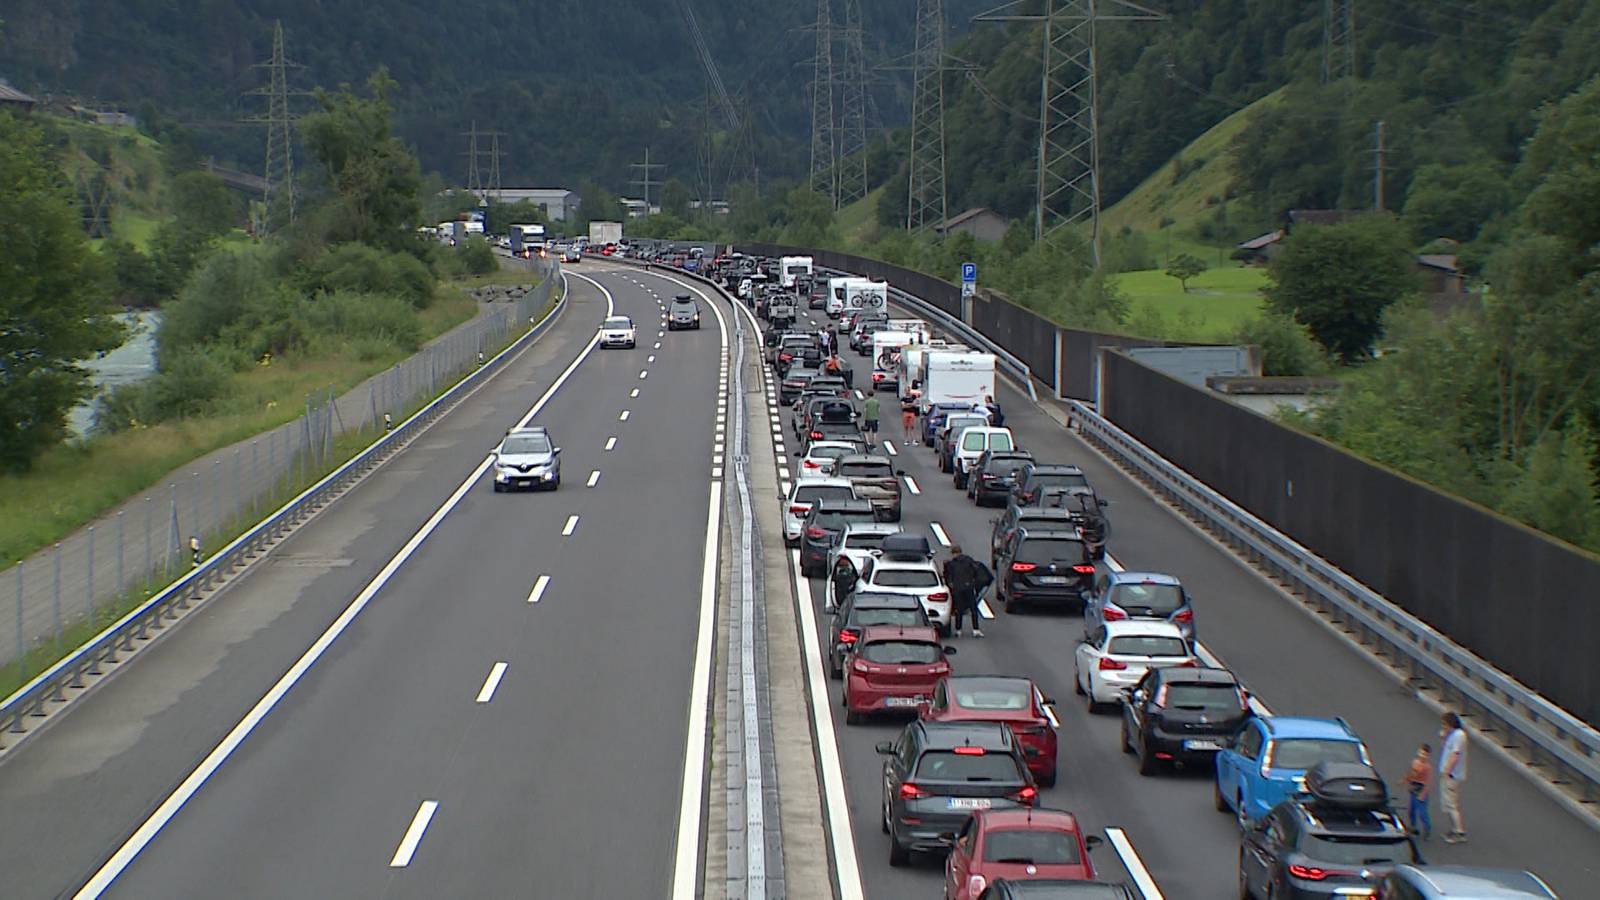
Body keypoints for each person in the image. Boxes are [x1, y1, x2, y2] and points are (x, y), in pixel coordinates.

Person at [941, 545, 994, 638]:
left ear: (953, 553)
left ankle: (958, 630)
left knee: (959, 610)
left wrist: (951, 583)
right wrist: (973, 583)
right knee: (973, 609)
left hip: (957, 589)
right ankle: (976, 630)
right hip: (969, 587)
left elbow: (947, 576)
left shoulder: (951, 564)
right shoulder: (969, 561)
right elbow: (976, 572)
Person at [1438, 713, 1469, 843]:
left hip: (1451, 775)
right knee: (1448, 803)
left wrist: (1446, 771)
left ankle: (1459, 831)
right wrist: (1444, 736)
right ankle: (1454, 828)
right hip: (1449, 774)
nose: (1443, 727)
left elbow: (1455, 755)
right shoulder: (1453, 735)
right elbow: (1445, 748)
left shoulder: (1458, 736)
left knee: (1452, 805)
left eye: (1445, 725)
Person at [1403, 742, 1433, 840]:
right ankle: (1413, 826)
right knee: (1411, 810)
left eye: (1425, 754)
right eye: (1421, 753)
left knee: (1422, 813)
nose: (1422, 756)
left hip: (1421, 789)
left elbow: (1427, 782)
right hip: (1414, 787)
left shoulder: (1427, 767)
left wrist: (1423, 794)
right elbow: (1412, 773)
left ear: (1428, 756)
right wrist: (1406, 780)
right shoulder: (1415, 762)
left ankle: (1427, 828)